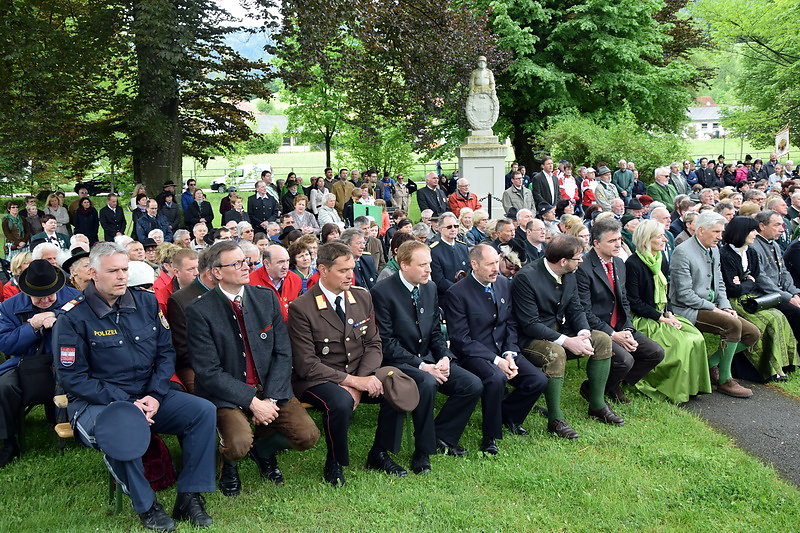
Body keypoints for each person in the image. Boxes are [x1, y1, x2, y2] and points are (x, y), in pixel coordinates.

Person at [54, 243, 216, 530]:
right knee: (123, 426)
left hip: (147, 395)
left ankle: (190, 496)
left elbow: (166, 354)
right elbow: (74, 378)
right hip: (97, 403)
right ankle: (147, 506)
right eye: (113, 270)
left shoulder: (147, 302)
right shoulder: (72, 318)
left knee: (202, 411)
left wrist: (154, 394)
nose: (121, 276)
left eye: (125, 269)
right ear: (93, 273)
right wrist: (127, 402)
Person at [185, 241, 318, 495]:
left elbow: (282, 352)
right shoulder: (199, 310)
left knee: (307, 435)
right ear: (216, 272)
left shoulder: (265, 298)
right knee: (237, 444)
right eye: (236, 264)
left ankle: (263, 451)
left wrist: (269, 397)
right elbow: (208, 372)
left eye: (246, 261)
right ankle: (230, 465)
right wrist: (252, 402)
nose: (246, 267)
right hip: (226, 392)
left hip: (268, 387)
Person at [289, 242, 399, 485]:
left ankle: (379, 453)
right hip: (318, 378)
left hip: (358, 371)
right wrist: (353, 383)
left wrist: (363, 379)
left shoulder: (361, 296)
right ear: (323, 270)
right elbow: (307, 363)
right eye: (343, 270)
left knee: (396, 388)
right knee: (340, 401)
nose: (351, 275)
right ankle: (335, 462)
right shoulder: (302, 307)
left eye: (352, 268)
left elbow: (373, 343)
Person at [371, 241, 482, 468]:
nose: (429, 270)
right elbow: (387, 343)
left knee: (472, 385)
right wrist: (424, 366)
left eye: (429, 264)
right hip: (396, 362)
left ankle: (442, 436)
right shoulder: (382, 292)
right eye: (422, 265)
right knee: (427, 382)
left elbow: (434, 331)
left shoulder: (429, 288)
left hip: (428, 358)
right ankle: (423, 450)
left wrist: (444, 357)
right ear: (403, 265)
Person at [512, 234, 620, 439]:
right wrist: (567, 341)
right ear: (563, 261)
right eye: (578, 257)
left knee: (602, 339)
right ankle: (555, 419)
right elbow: (529, 324)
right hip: (528, 338)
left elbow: (576, 307)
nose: (581, 261)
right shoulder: (526, 277)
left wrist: (583, 332)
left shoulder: (570, 273)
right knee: (556, 352)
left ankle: (597, 405)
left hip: (561, 331)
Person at [444, 245, 548, 454]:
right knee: (495, 379)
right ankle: (490, 437)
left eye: (496, 262)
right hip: (473, 354)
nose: (495, 268)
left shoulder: (502, 283)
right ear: (474, 264)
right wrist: (496, 360)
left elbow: (510, 323)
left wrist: (509, 353)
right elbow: (461, 339)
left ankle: (508, 416)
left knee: (538, 380)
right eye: (489, 264)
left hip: (503, 349)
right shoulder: (457, 293)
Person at [669, 211, 761, 398]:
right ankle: (725, 380)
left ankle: (711, 364)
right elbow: (684, 295)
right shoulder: (682, 252)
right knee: (733, 324)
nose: (721, 236)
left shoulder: (715, 249)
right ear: (701, 230)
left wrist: (725, 306)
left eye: (721, 231)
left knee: (752, 333)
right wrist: (715, 309)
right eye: (716, 232)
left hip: (711, 305)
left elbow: (719, 284)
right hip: (688, 309)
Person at [0, 260, 80, 467]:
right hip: (27, 363)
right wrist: (32, 327)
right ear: (27, 292)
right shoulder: (10, 307)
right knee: (3, 387)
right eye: (39, 297)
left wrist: (59, 316)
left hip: (69, 361)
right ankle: (7, 441)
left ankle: (86, 428)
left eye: (51, 295)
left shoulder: (74, 298)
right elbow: (6, 344)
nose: (46, 300)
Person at [575, 218, 664, 403]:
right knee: (625, 360)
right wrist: (613, 335)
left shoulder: (619, 263)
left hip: (619, 325)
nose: (618, 244)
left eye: (619, 239)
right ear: (596, 243)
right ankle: (591, 388)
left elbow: (624, 301)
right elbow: (584, 311)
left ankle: (612, 384)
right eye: (612, 241)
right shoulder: (583, 267)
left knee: (655, 353)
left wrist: (628, 330)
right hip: (596, 328)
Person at [720, 216, 796, 381]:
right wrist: (748, 282)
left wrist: (745, 281)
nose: (755, 233)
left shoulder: (751, 252)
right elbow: (733, 290)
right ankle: (766, 368)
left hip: (751, 298)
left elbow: (753, 279)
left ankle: (783, 366)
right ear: (742, 232)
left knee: (779, 316)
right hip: (734, 302)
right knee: (767, 320)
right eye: (752, 230)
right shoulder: (725, 254)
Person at [750, 210, 800, 343]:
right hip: (763, 296)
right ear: (762, 226)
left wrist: (795, 293)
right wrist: (788, 298)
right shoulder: (753, 247)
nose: (782, 230)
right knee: (796, 313)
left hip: (779, 294)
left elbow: (784, 273)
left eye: (783, 225)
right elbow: (761, 280)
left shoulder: (774, 245)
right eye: (777, 225)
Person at [249, 244, 302, 321]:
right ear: (267, 264)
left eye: (287, 261)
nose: (285, 267)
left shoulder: (295, 279)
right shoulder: (251, 282)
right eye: (280, 262)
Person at [429, 213, 470, 307]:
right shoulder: (434, 250)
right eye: (449, 227)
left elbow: (469, 270)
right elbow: (439, 280)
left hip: (466, 296)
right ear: (440, 229)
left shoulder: (463, 247)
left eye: (456, 226)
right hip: (447, 299)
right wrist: (459, 290)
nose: (453, 229)